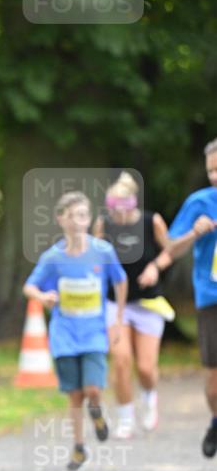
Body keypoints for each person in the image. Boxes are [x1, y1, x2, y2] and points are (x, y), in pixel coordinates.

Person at [23, 191, 127, 470]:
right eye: (73, 216)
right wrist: (42, 297)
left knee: (93, 389)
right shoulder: (53, 257)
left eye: (84, 215)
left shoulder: (102, 251)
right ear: (61, 219)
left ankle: (97, 411)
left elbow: (120, 281)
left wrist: (117, 319)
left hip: (94, 334)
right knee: (75, 395)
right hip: (64, 335)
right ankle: (79, 448)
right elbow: (29, 286)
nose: (79, 221)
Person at [94, 172, 174, 438]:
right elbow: (96, 257)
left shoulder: (152, 222)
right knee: (120, 360)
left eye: (121, 211)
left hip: (148, 303)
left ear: (131, 206)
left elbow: (170, 250)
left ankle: (150, 396)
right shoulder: (103, 224)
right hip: (115, 305)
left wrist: (155, 266)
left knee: (146, 368)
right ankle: (125, 416)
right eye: (112, 210)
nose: (116, 217)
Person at [166, 138, 217, 458]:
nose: (216, 176)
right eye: (212, 170)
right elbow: (171, 249)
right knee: (213, 384)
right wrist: (193, 233)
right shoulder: (199, 202)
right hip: (211, 298)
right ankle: (215, 419)